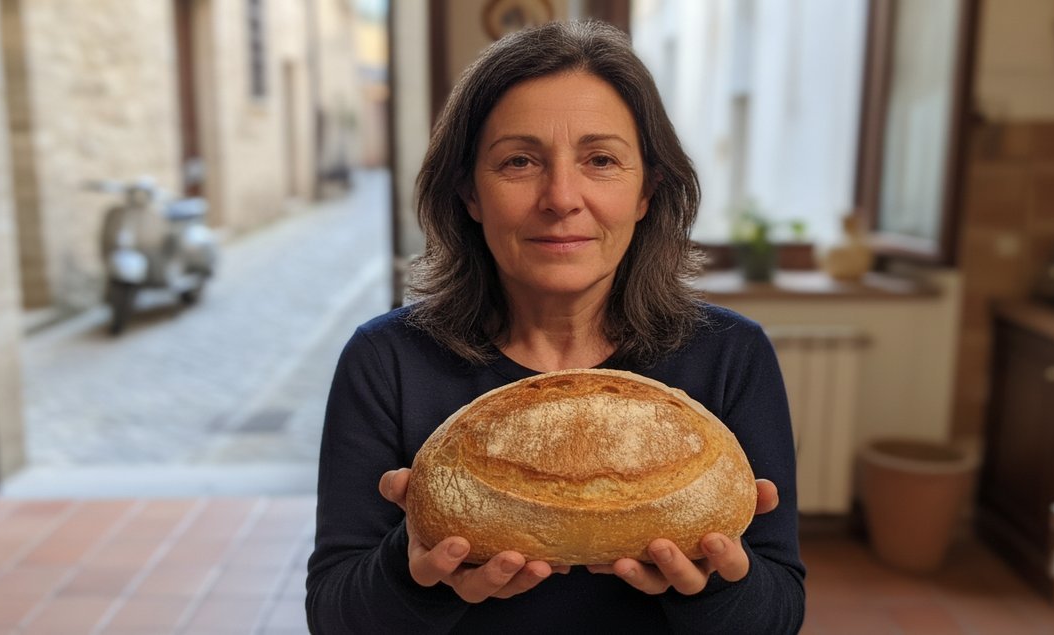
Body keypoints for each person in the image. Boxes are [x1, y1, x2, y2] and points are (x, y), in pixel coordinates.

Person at [305, 20, 804, 634]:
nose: (561, 197)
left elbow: (779, 615)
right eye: (519, 161)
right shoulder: (387, 360)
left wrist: (715, 588)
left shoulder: (731, 355)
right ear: (469, 193)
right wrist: (415, 574)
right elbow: (334, 618)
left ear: (647, 189)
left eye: (601, 160)